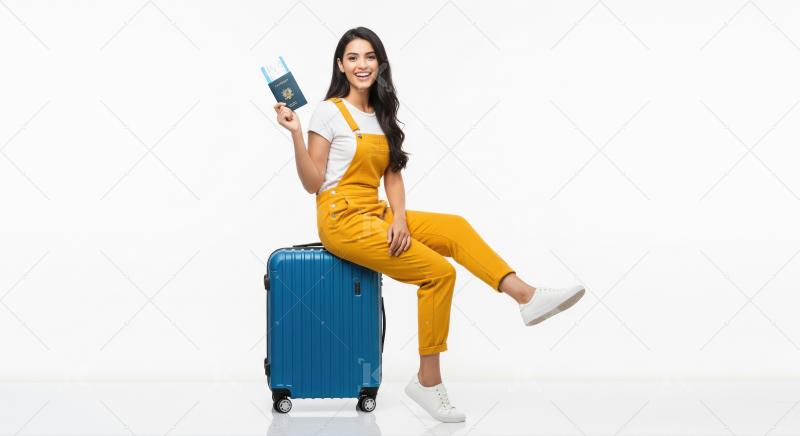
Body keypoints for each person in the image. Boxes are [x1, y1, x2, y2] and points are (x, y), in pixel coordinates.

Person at [273, 26, 585, 423]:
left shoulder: (380, 114)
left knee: (455, 227)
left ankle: (526, 296)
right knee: (439, 273)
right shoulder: (328, 112)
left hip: (376, 212)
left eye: (369, 57)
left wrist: (399, 219)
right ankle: (428, 380)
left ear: (379, 63)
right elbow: (312, 182)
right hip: (341, 220)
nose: (361, 65)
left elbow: (392, 176)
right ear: (341, 65)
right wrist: (296, 134)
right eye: (352, 58)